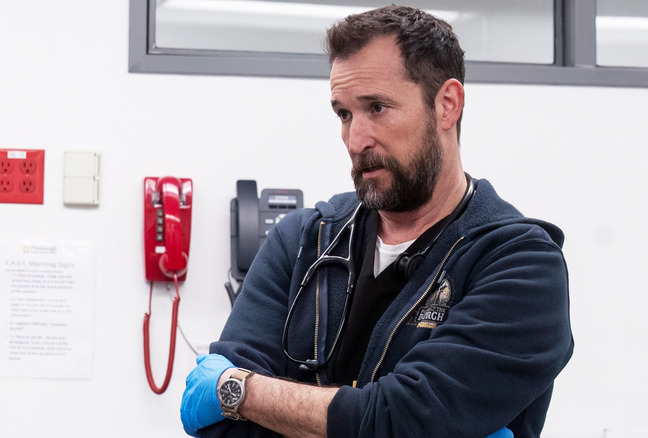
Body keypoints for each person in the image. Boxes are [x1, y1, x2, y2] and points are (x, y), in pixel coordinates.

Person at [181, 5, 573, 438]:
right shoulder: (302, 242)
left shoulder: (522, 266)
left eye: (378, 108)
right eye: (344, 114)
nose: (356, 140)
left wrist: (240, 392)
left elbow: (404, 418)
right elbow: (221, 429)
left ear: (447, 105)